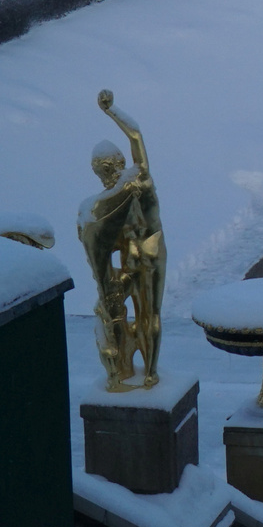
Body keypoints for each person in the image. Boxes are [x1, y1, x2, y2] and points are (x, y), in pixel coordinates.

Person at [76, 90, 164, 391]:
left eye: (107, 171)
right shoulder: (115, 193)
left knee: (148, 311)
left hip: (148, 251)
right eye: (102, 174)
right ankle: (128, 366)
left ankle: (148, 371)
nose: (106, 178)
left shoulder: (137, 179)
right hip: (139, 253)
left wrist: (111, 110)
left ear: (116, 164)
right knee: (128, 309)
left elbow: (136, 135)